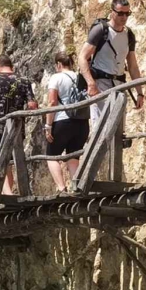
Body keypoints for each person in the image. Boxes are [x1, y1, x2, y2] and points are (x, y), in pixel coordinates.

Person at [79, 0, 144, 126]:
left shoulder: (129, 35)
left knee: (118, 128)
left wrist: (140, 93)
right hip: (100, 83)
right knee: (101, 127)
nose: (124, 17)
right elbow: (82, 57)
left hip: (119, 83)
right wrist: (91, 84)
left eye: (127, 14)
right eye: (120, 13)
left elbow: (132, 66)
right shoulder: (101, 30)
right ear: (112, 11)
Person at [0, 55, 37, 196]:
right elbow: (32, 105)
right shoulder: (23, 81)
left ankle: (7, 193)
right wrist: (21, 113)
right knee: (10, 159)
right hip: (16, 127)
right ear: (12, 66)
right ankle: (7, 192)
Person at [43, 54, 88, 191]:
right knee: (73, 155)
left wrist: (48, 125)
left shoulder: (56, 78)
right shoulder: (79, 76)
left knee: (51, 156)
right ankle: (76, 187)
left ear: (58, 64)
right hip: (81, 122)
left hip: (62, 121)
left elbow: (52, 102)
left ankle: (62, 188)